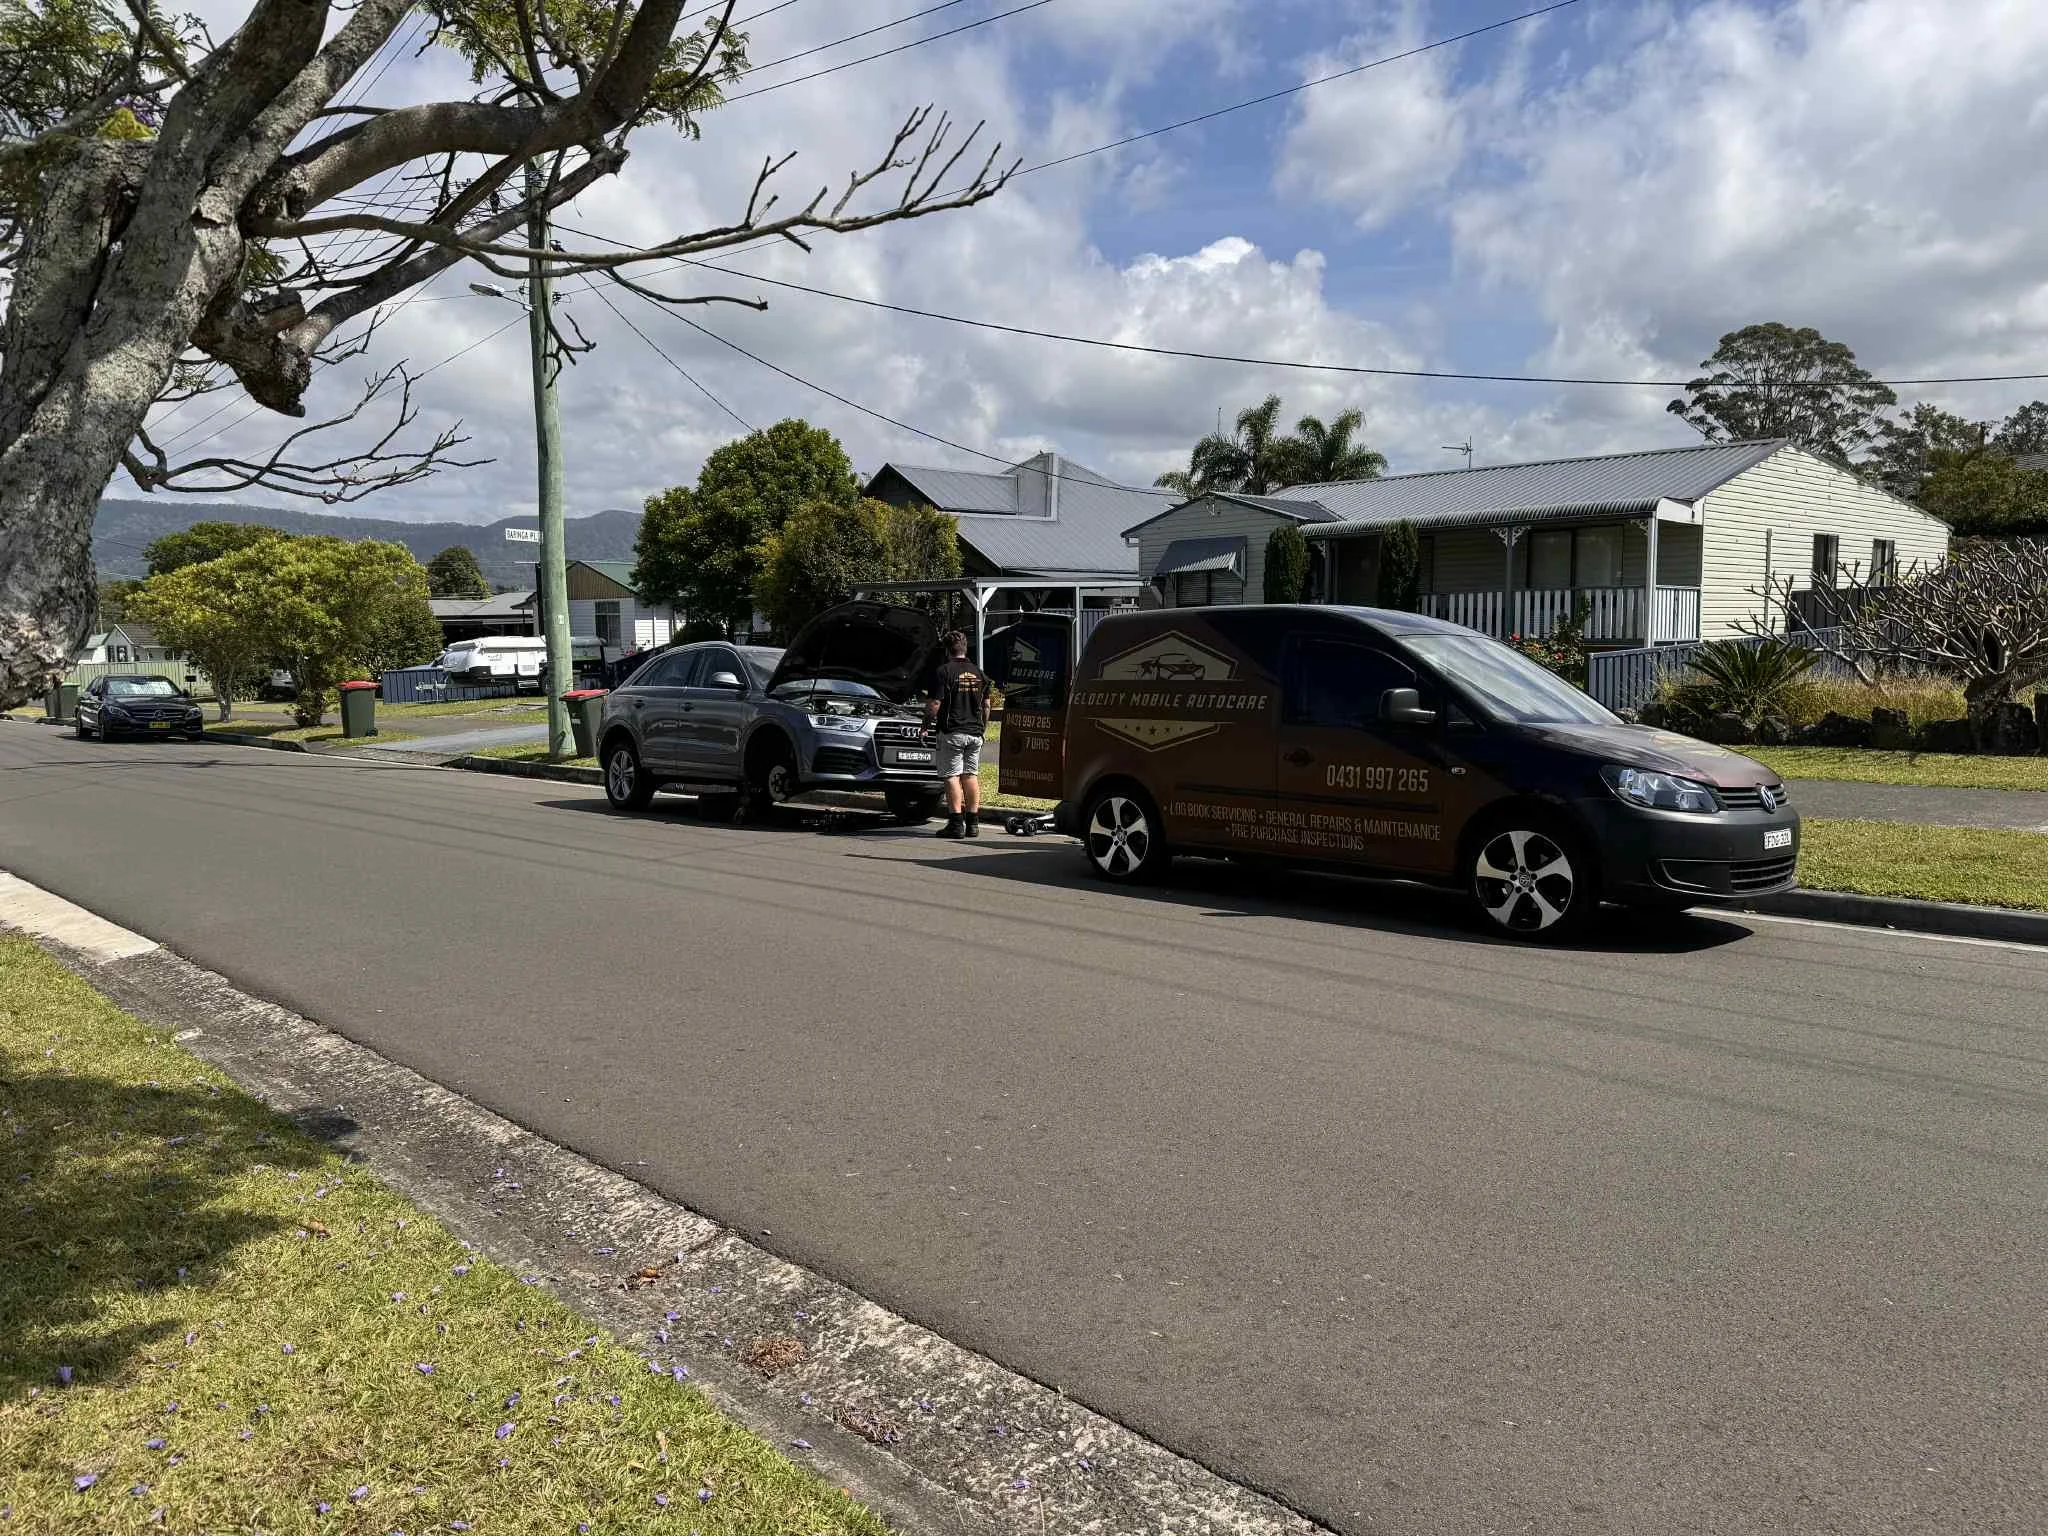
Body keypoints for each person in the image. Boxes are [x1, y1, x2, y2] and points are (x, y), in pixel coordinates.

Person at [925, 630, 991, 838]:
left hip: (952, 732)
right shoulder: (979, 673)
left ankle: (955, 824)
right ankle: (973, 823)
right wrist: (982, 728)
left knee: (952, 776)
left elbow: (935, 703)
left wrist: (925, 723)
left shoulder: (943, 672)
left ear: (947, 651)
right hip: (974, 733)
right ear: (965, 648)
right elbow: (987, 705)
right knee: (970, 775)